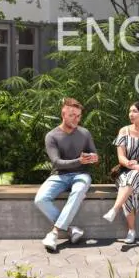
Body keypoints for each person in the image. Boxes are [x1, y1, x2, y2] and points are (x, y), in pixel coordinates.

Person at [34, 97, 99, 253]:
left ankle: (54, 233)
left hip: (81, 175)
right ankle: (71, 229)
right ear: (63, 114)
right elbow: (56, 162)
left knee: (78, 191)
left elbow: (94, 154)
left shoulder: (84, 133)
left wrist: (94, 158)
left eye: (78, 116)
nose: (76, 119)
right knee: (40, 199)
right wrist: (79, 160)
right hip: (59, 175)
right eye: (72, 115)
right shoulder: (52, 136)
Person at [102, 101, 139, 244]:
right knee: (129, 182)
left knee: (133, 178)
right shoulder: (124, 131)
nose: (131, 114)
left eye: (134, 111)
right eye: (130, 111)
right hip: (124, 172)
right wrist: (132, 164)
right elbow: (121, 157)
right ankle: (131, 230)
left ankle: (118, 213)